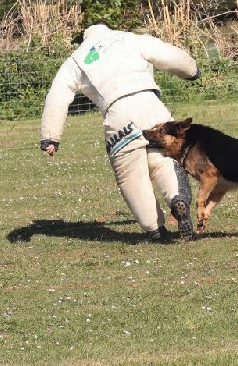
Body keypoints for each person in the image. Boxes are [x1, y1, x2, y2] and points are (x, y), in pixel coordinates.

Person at [39, 22, 201, 242]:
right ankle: (177, 199)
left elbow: (57, 95)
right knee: (165, 159)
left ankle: (155, 230)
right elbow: (168, 54)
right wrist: (192, 71)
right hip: (151, 104)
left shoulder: (76, 59)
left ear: (85, 39)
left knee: (131, 176)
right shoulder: (130, 38)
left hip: (118, 115)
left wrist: (50, 136)